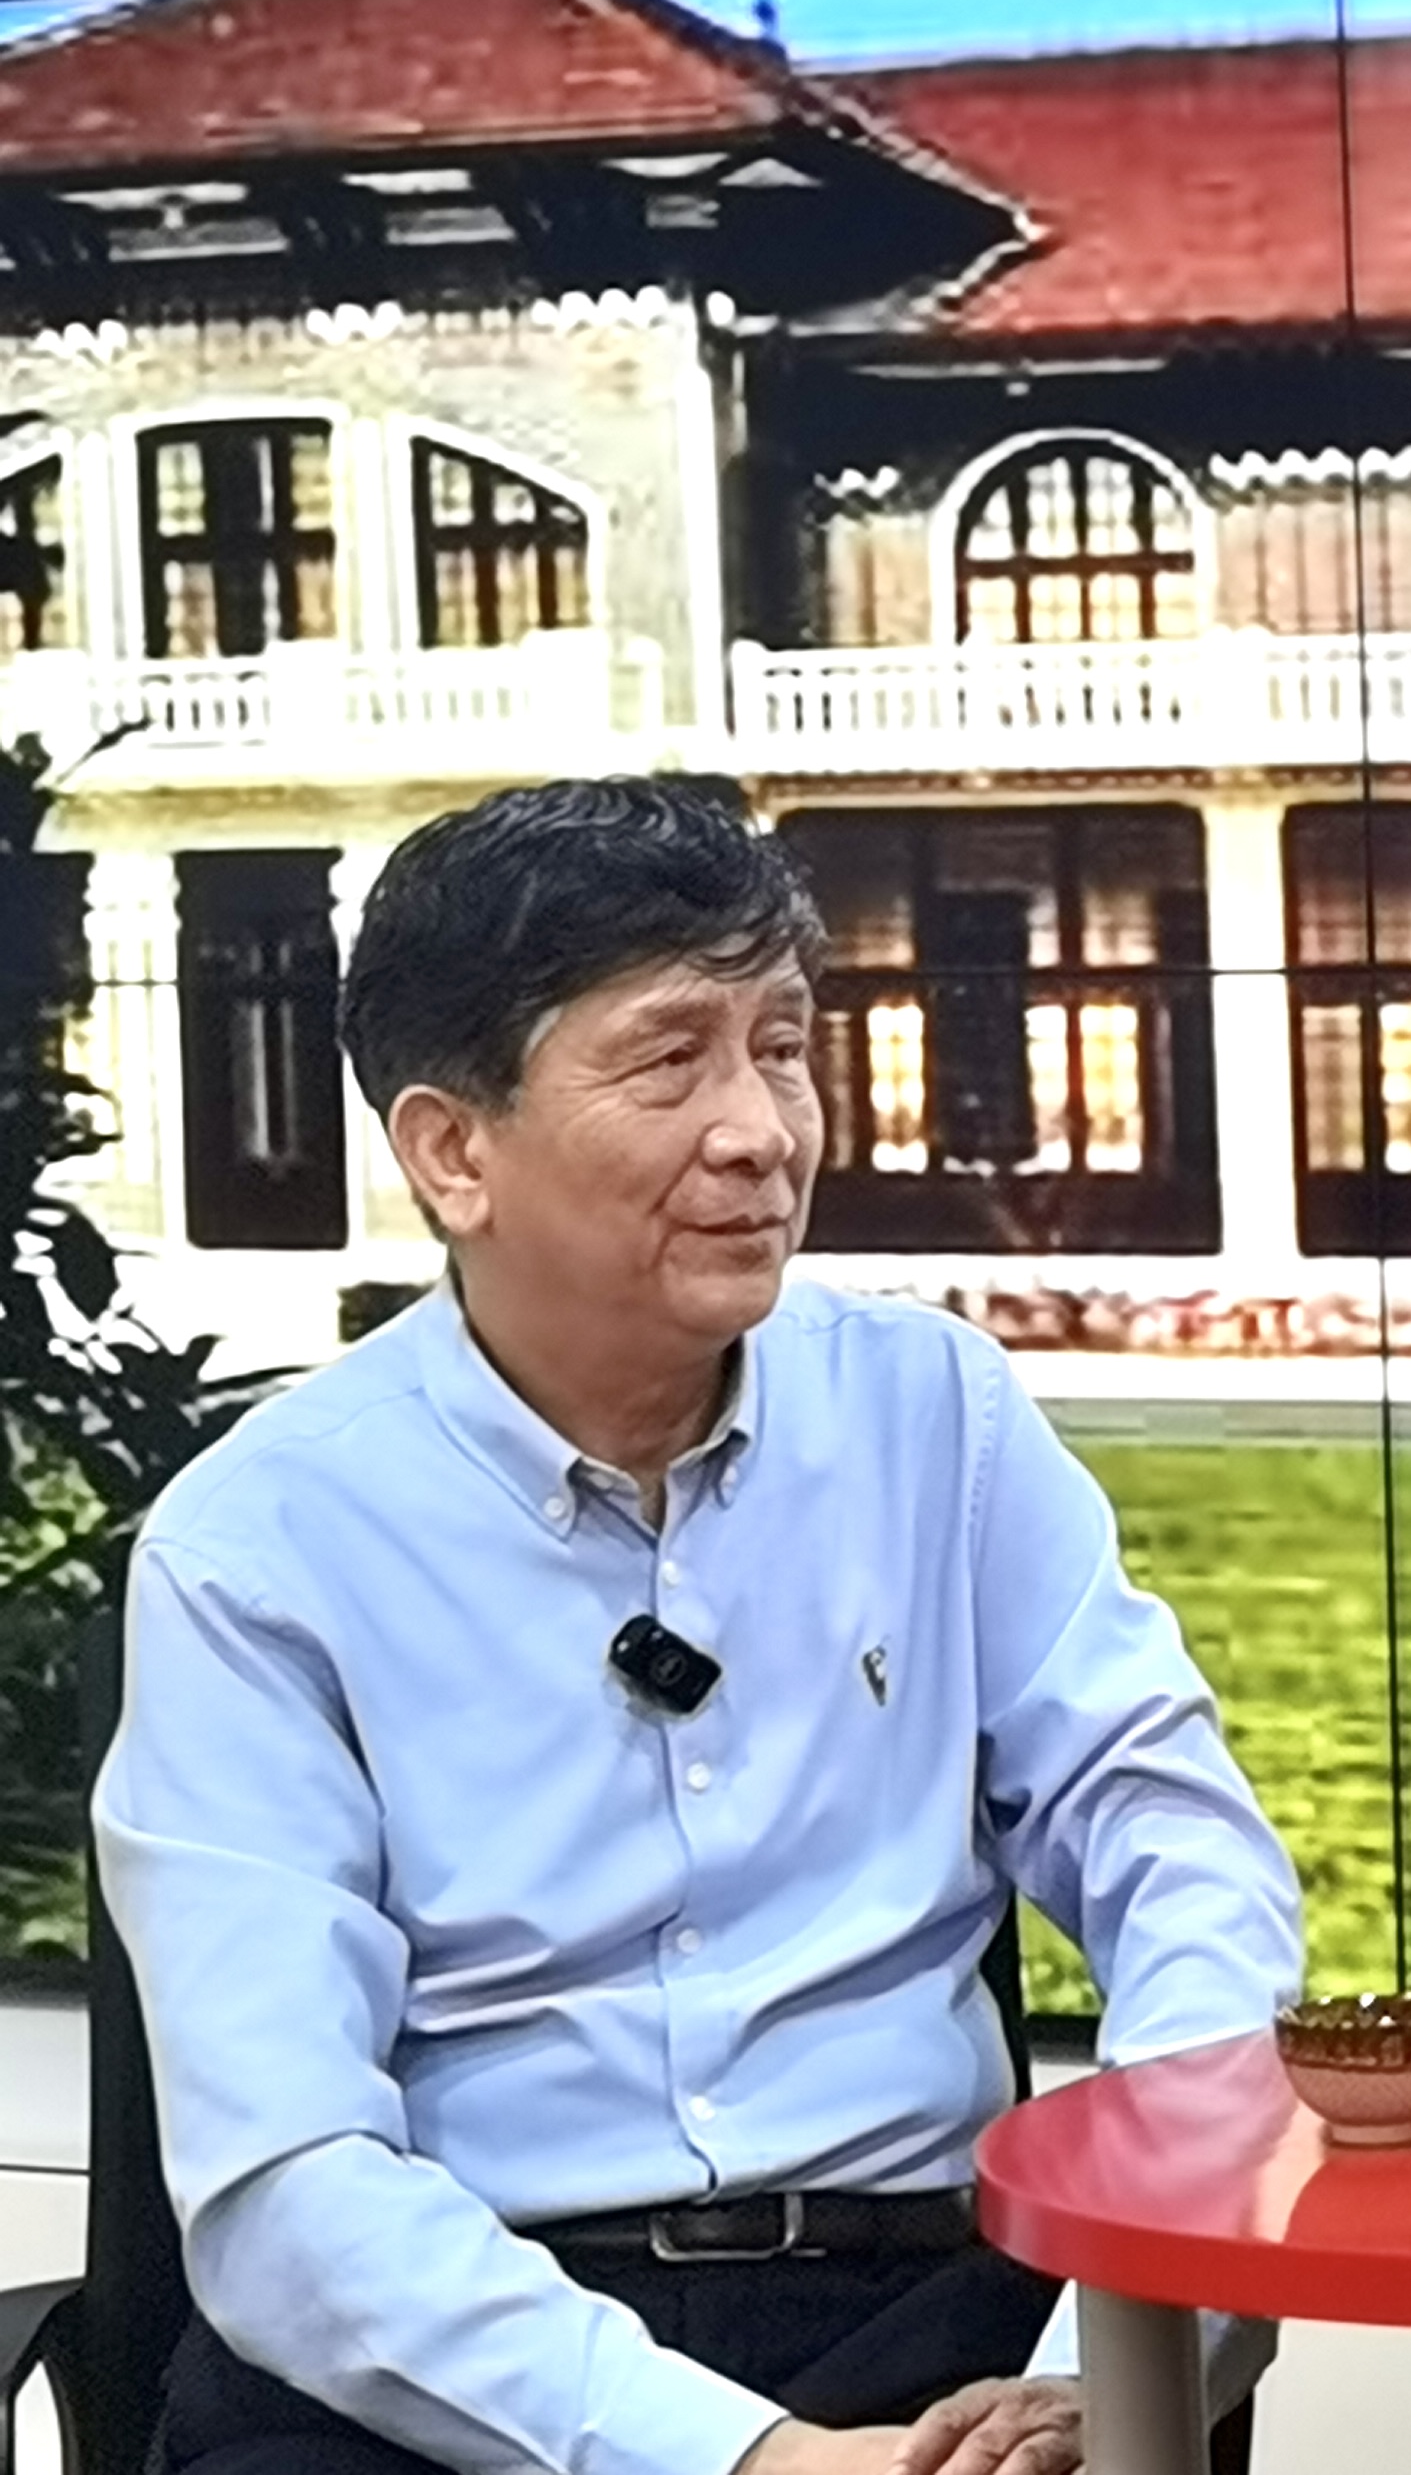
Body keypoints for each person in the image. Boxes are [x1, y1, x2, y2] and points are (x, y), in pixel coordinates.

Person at [96, 778, 1307, 2475]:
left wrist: (1122, 2335)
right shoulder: (262, 1546)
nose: (762, 1131)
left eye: (784, 1047)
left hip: (940, 2318)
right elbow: (289, 2192)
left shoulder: (933, 1417)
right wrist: (750, 2460)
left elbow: (1185, 1861)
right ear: (454, 1151)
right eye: (670, 1061)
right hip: (458, 2356)